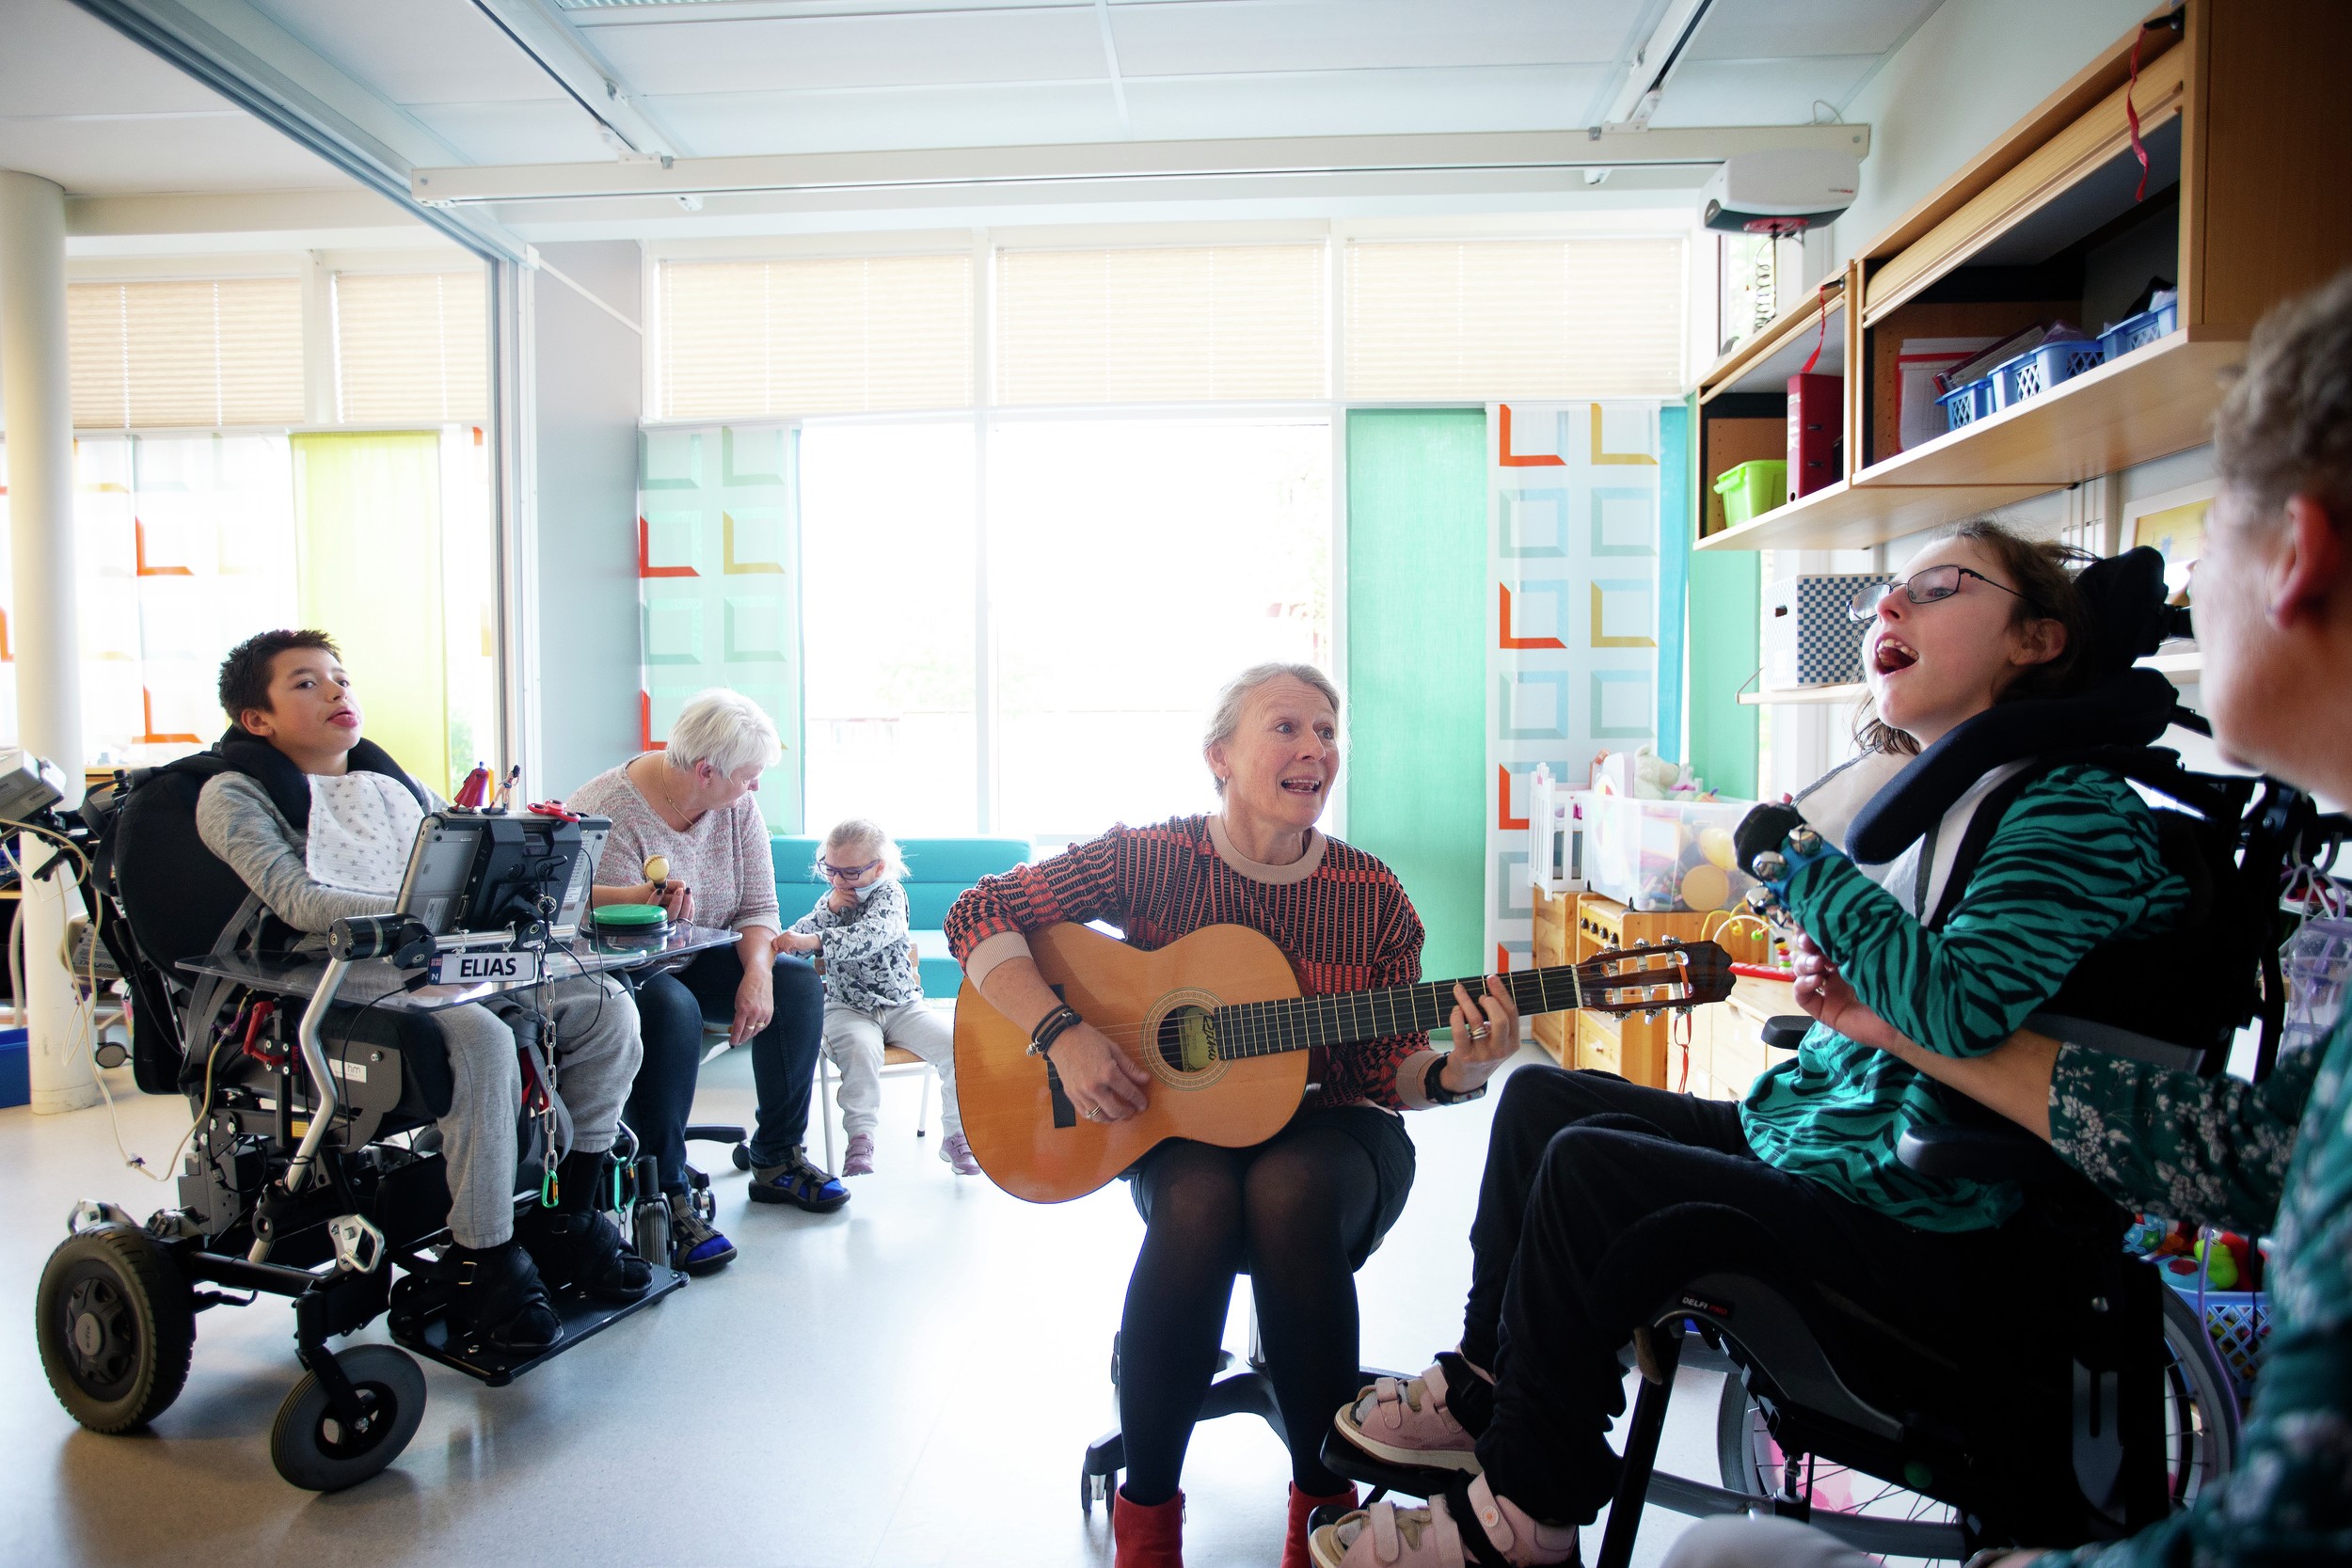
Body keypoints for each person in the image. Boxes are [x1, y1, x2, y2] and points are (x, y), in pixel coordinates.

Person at [1314, 519, 2195, 1568]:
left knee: (1589, 1167)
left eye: (1938, 586)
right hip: (1825, 1145)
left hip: (1912, 1212)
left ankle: (1523, 1515)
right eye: (1891, 587)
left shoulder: (2069, 810)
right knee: (1545, 1101)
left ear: (2037, 640)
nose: (1885, 604)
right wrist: (1846, 996)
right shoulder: (1958, 800)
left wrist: (1798, 863)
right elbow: (1926, 1000)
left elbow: (1954, 1011)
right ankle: (1489, 1386)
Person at [1661, 273, 2352, 1568]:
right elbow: (2270, 1153)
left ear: (2298, 552)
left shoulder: (2065, 809)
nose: (2194, 579)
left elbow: (2297, 1527)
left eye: (2220, 542)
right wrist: (1886, 1019)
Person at [943, 663, 1521, 1568]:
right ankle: (1147, 1520)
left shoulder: (1372, 894)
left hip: (1338, 1128)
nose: (1315, 749)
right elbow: (980, 910)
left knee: (1288, 1190)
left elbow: (1382, 1064)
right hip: (1174, 1126)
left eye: (1327, 732)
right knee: (1202, 1199)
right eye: (1286, 728)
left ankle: (1323, 1512)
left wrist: (1456, 1070)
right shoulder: (1151, 857)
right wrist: (1063, 1032)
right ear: (1219, 754)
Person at [196, 629, 650, 1354]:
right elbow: (295, 898)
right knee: (482, 1040)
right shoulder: (233, 796)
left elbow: (472, 843)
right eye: (307, 683)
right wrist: (415, 913)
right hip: (335, 976)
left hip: (439, 954)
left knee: (605, 1007)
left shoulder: (392, 782)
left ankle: (568, 1214)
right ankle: (483, 1256)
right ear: (258, 719)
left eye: (341, 677)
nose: (338, 691)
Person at [569, 689, 846, 1274]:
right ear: (705, 771)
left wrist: (758, 973)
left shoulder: (734, 806)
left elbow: (758, 905)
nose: (755, 789)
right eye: (749, 777)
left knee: (795, 985)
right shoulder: (608, 808)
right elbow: (590, 925)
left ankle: (776, 1158)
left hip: (704, 953)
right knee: (672, 1009)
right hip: (621, 970)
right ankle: (664, 1192)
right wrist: (650, 908)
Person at [776, 817, 976, 1177]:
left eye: (849, 873)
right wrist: (827, 912)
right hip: (847, 1008)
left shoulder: (891, 895)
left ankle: (958, 1135)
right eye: (831, 870)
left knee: (957, 1046)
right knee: (860, 1050)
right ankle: (861, 1140)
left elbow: (871, 935)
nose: (838, 880)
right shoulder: (832, 899)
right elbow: (795, 941)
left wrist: (817, 941)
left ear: (878, 867)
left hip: (902, 1005)